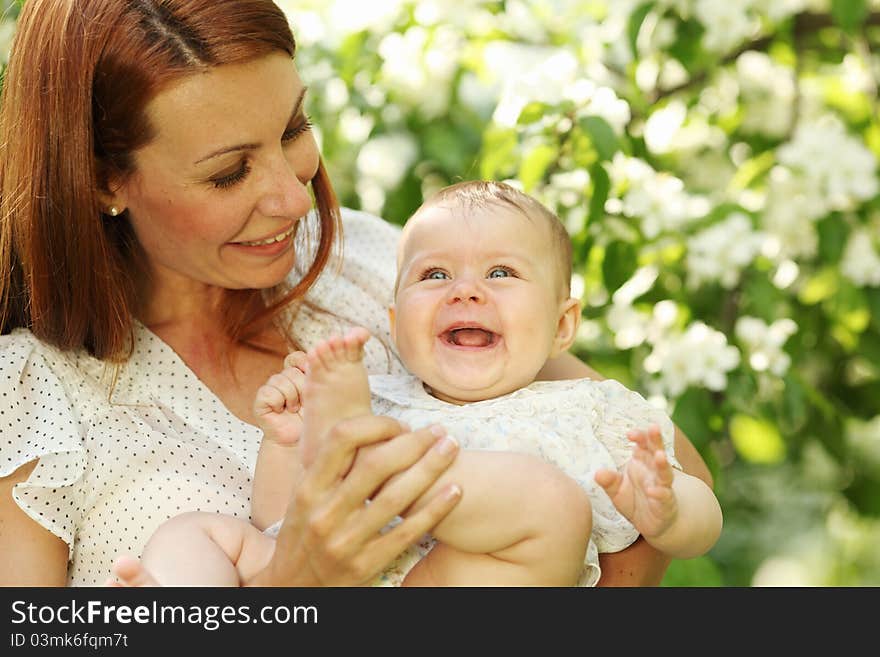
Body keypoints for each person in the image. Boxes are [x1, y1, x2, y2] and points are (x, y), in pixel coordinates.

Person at [0, 0, 712, 587]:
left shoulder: (371, 263)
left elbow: (659, 472)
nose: (291, 197)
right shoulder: (34, 399)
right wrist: (297, 586)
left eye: (293, 129)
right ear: (101, 179)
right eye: (228, 174)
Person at [110, 181, 721, 587]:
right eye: (434, 274)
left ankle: (382, 471)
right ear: (397, 324)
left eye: (501, 272)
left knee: (550, 502)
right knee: (195, 532)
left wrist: (666, 514)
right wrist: (290, 443)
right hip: (329, 586)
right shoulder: (381, 393)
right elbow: (283, 518)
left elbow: (703, 520)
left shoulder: (590, 408)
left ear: (563, 325)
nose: (466, 290)